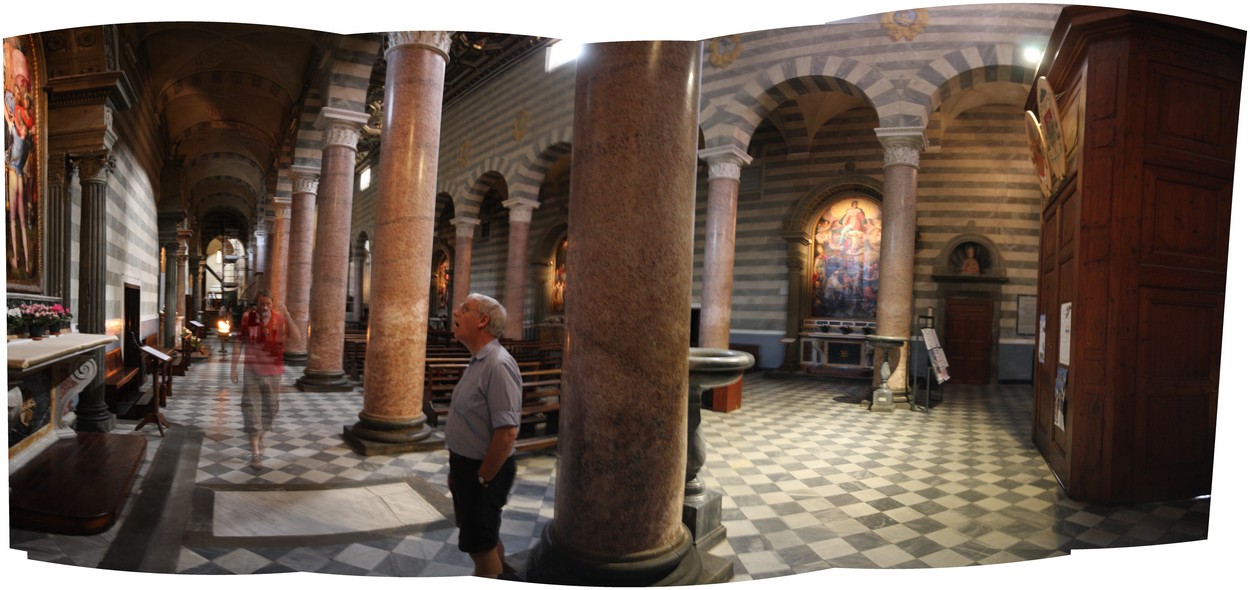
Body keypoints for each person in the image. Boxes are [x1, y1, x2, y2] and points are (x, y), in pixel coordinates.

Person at [443, 293, 522, 578]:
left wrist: (481, 479)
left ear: (483, 320)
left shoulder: (498, 365)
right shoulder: (478, 361)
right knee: (485, 537)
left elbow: (507, 433)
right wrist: (459, 472)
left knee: (479, 548)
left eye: (465, 309)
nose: (456, 312)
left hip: (485, 470)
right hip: (468, 468)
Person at [230, 289, 300, 467]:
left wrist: (288, 315)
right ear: (257, 304)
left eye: (268, 304)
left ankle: (260, 436)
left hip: (274, 372)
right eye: (262, 304)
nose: (265, 307)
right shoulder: (248, 318)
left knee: (271, 409)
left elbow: (297, 337)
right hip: (251, 371)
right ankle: (255, 451)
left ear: (272, 304)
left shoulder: (279, 318)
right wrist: (233, 368)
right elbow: (239, 342)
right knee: (251, 408)